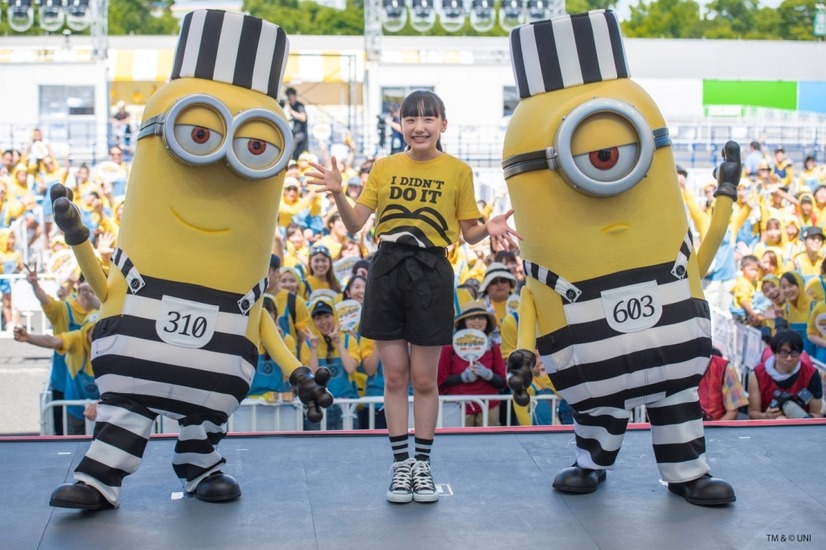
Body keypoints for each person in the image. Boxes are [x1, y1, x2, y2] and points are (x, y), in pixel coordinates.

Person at [304, 88, 520, 504]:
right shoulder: (383, 167)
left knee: (423, 378)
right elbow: (354, 225)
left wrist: (486, 228)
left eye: (427, 118)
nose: (418, 127)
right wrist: (336, 191)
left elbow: (468, 231)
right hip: (386, 268)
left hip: (432, 272)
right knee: (396, 376)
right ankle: (400, 465)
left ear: (443, 124)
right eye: (410, 119)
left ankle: (422, 465)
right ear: (400, 124)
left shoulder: (458, 170)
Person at [437, 300, 507, 426]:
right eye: (472, 318)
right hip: (459, 405)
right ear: (464, 322)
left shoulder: (492, 346)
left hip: (489, 405)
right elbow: (441, 379)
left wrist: (488, 375)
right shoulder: (450, 347)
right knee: (460, 444)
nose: (477, 321)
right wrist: (462, 378)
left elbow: (502, 381)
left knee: (490, 443)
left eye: (481, 317)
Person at [299, 298, 361, 430]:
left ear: (335, 316)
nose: (323, 322)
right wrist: (314, 348)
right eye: (318, 318)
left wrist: (338, 342)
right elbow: (312, 376)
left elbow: (350, 368)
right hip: (318, 405)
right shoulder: (308, 345)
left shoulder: (348, 340)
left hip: (345, 405)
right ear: (313, 321)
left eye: (327, 316)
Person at [747, 330, 823, 419]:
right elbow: (753, 413)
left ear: (800, 353)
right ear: (774, 353)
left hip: (802, 427)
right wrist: (766, 416)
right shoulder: (758, 375)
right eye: (783, 353)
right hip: (768, 428)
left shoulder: (811, 374)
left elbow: (816, 413)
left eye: (794, 352)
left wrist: (801, 419)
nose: (789, 358)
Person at [697, 349, 749, 421]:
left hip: (715, 428)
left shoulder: (726, 368)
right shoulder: (677, 366)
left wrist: (715, 430)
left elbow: (732, 412)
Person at [284, 87, 308, 161]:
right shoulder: (288, 106)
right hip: (292, 133)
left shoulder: (299, 105)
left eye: (290, 96)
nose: (289, 98)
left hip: (300, 134)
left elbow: (303, 117)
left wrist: (291, 111)